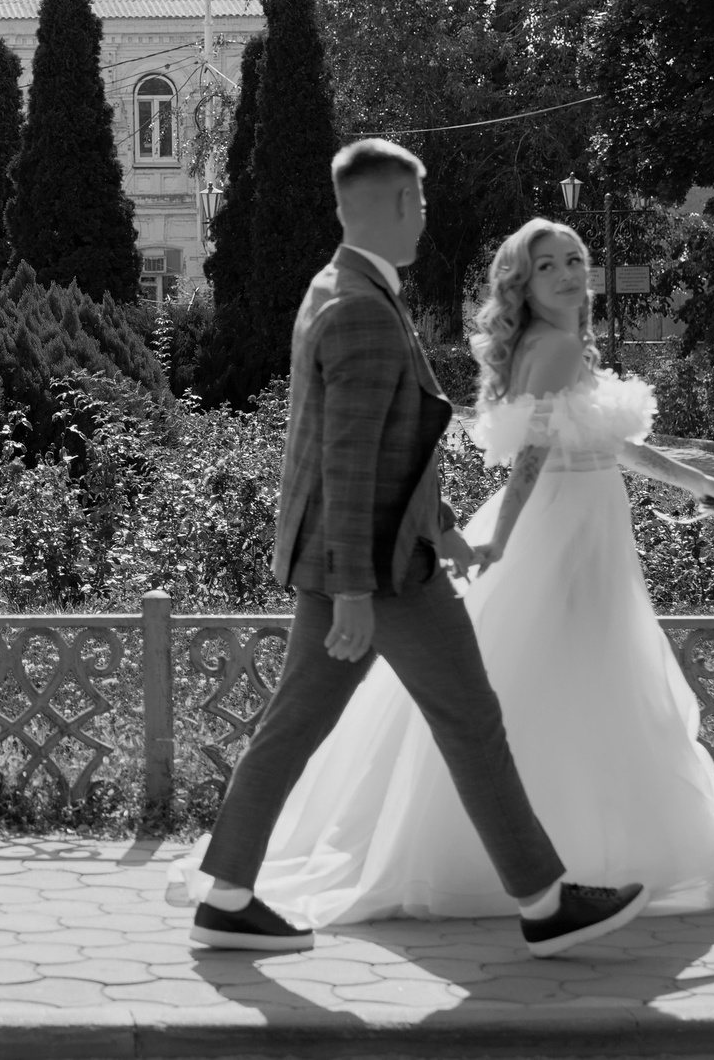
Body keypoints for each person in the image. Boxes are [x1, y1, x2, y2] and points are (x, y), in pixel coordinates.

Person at [182, 205, 714, 935]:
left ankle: (230, 893)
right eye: (548, 265)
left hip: (556, 534)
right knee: (520, 703)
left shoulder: (554, 343)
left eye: (574, 259)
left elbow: (609, 445)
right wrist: (495, 541)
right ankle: (547, 893)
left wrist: (713, 488)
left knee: (500, 701)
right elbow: (530, 459)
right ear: (522, 283)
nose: (568, 273)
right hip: (554, 539)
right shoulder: (539, 346)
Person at [181, 139, 650, 959]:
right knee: (471, 719)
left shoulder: (340, 285)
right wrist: (362, 589)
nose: (426, 217)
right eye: (423, 203)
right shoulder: (361, 305)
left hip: (355, 556)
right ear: (400, 203)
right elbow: (350, 459)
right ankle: (545, 902)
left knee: (292, 726)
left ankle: (226, 895)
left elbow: (388, 439)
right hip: (378, 571)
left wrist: (440, 528)